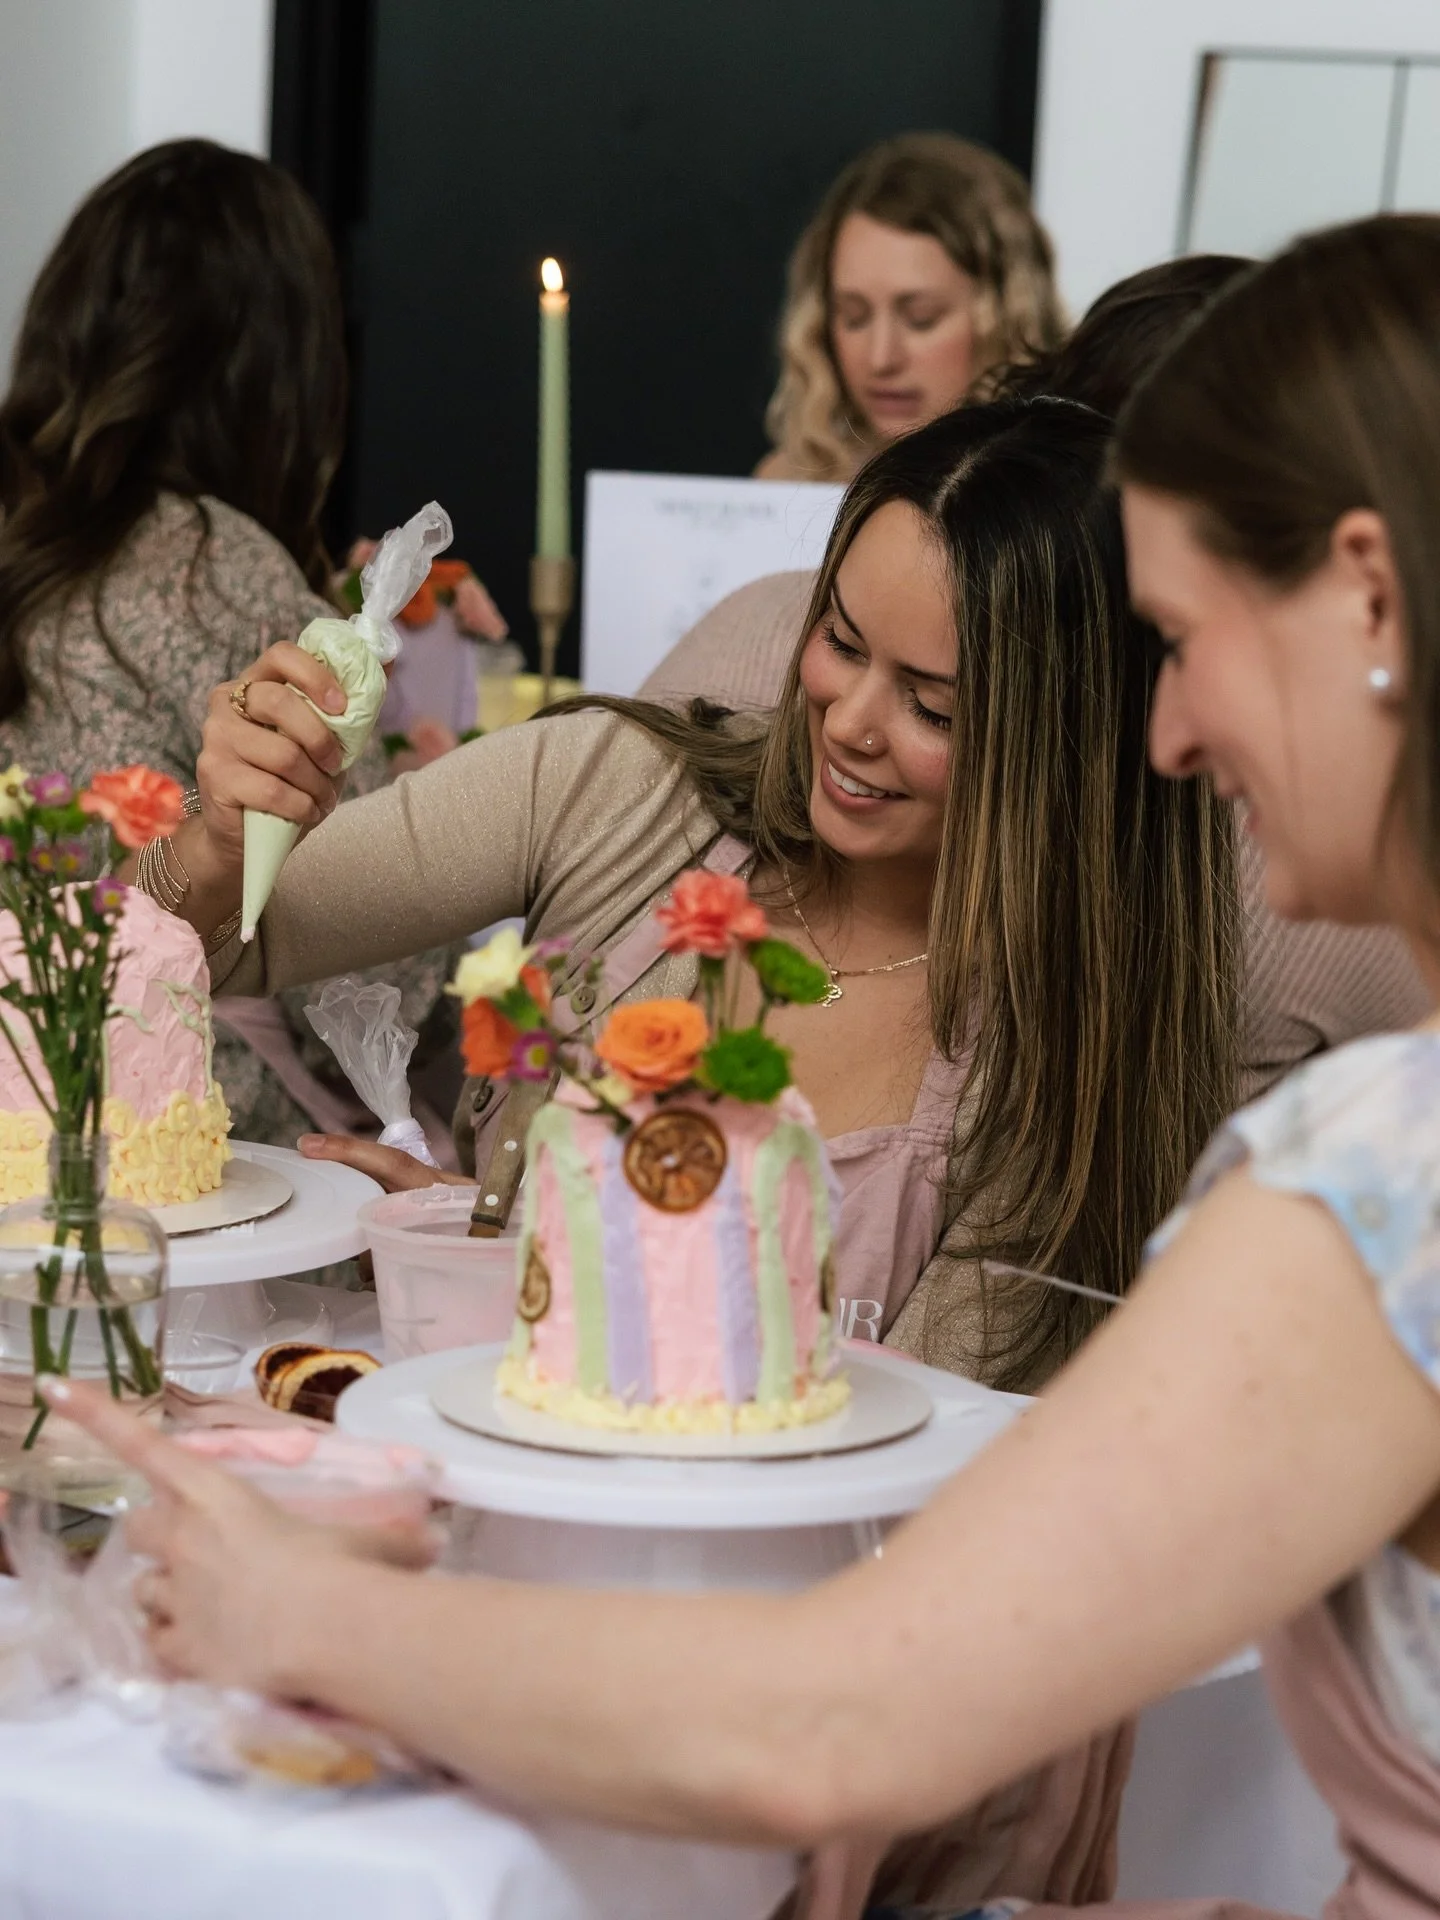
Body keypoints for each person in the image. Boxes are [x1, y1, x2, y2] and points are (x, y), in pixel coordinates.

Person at [59, 210, 1440, 1920]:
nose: (1172, 737)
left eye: (1198, 641)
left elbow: (858, 1699)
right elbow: (228, 926)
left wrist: (307, 1612)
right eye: (841, 647)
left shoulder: (1357, 1173)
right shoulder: (635, 796)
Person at [0, 139, 458, 1152]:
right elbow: (369, 976)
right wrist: (448, 814)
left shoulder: (28, 547)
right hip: (179, 1153)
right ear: (282, 372)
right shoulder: (212, 558)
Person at [757, 134, 1064, 483]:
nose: (881, 358)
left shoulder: (1072, 495)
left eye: (921, 319)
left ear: (1006, 317)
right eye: (854, 318)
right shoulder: (790, 486)